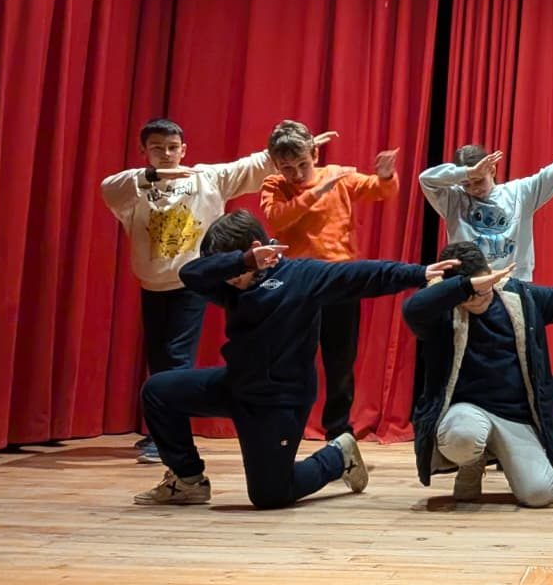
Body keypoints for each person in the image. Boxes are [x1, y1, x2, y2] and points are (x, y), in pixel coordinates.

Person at [134, 211, 451, 509]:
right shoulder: (232, 281)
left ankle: (338, 456)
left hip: (279, 401)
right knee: (158, 391)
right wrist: (240, 263)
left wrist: (419, 273)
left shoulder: (301, 276)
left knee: (269, 495)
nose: (228, 279)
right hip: (236, 385)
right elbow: (190, 275)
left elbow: (363, 275)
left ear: (257, 248)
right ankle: (188, 480)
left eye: (234, 270)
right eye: (225, 270)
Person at [100, 118, 318, 463]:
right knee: (159, 360)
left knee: (176, 359)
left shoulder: (205, 178)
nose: (166, 154)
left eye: (173, 148)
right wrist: (152, 176)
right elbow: (108, 188)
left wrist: (298, 146)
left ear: (184, 149)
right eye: (157, 148)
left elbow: (253, 165)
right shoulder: (136, 185)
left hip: (191, 284)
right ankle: (162, 432)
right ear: (143, 151)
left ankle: (169, 442)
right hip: (152, 283)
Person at [404, 242, 553, 505]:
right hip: (466, 414)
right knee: (463, 437)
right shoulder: (440, 312)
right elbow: (412, 309)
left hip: (515, 418)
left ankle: (504, 457)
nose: (481, 297)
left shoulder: (520, 298)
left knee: (540, 493)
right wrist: (463, 287)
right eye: (472, 293)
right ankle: (472, 462)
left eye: (485, 287)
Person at [259, 119, 398, 439]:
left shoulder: (337, 176)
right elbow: (277, 219)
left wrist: (385, 174)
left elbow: (378, 190)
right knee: (292, 357)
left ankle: (338, 431)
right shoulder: (274, 185)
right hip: (297, 281)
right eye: (287, 167)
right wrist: (315, 192)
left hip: (340, 278)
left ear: (315, 156)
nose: (296, 174)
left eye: (302, 164)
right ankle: (287, 425)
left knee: (341, 359)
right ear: (276, 165)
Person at [418, 126, 553, 279]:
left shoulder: (518, 192)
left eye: (479, 181)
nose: (474, 188)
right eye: (467, 184)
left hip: (513, 284)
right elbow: (426, 179)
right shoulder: (454, 200)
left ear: (492, 170)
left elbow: (551, 175)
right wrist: (467, 173)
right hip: (468, 284)